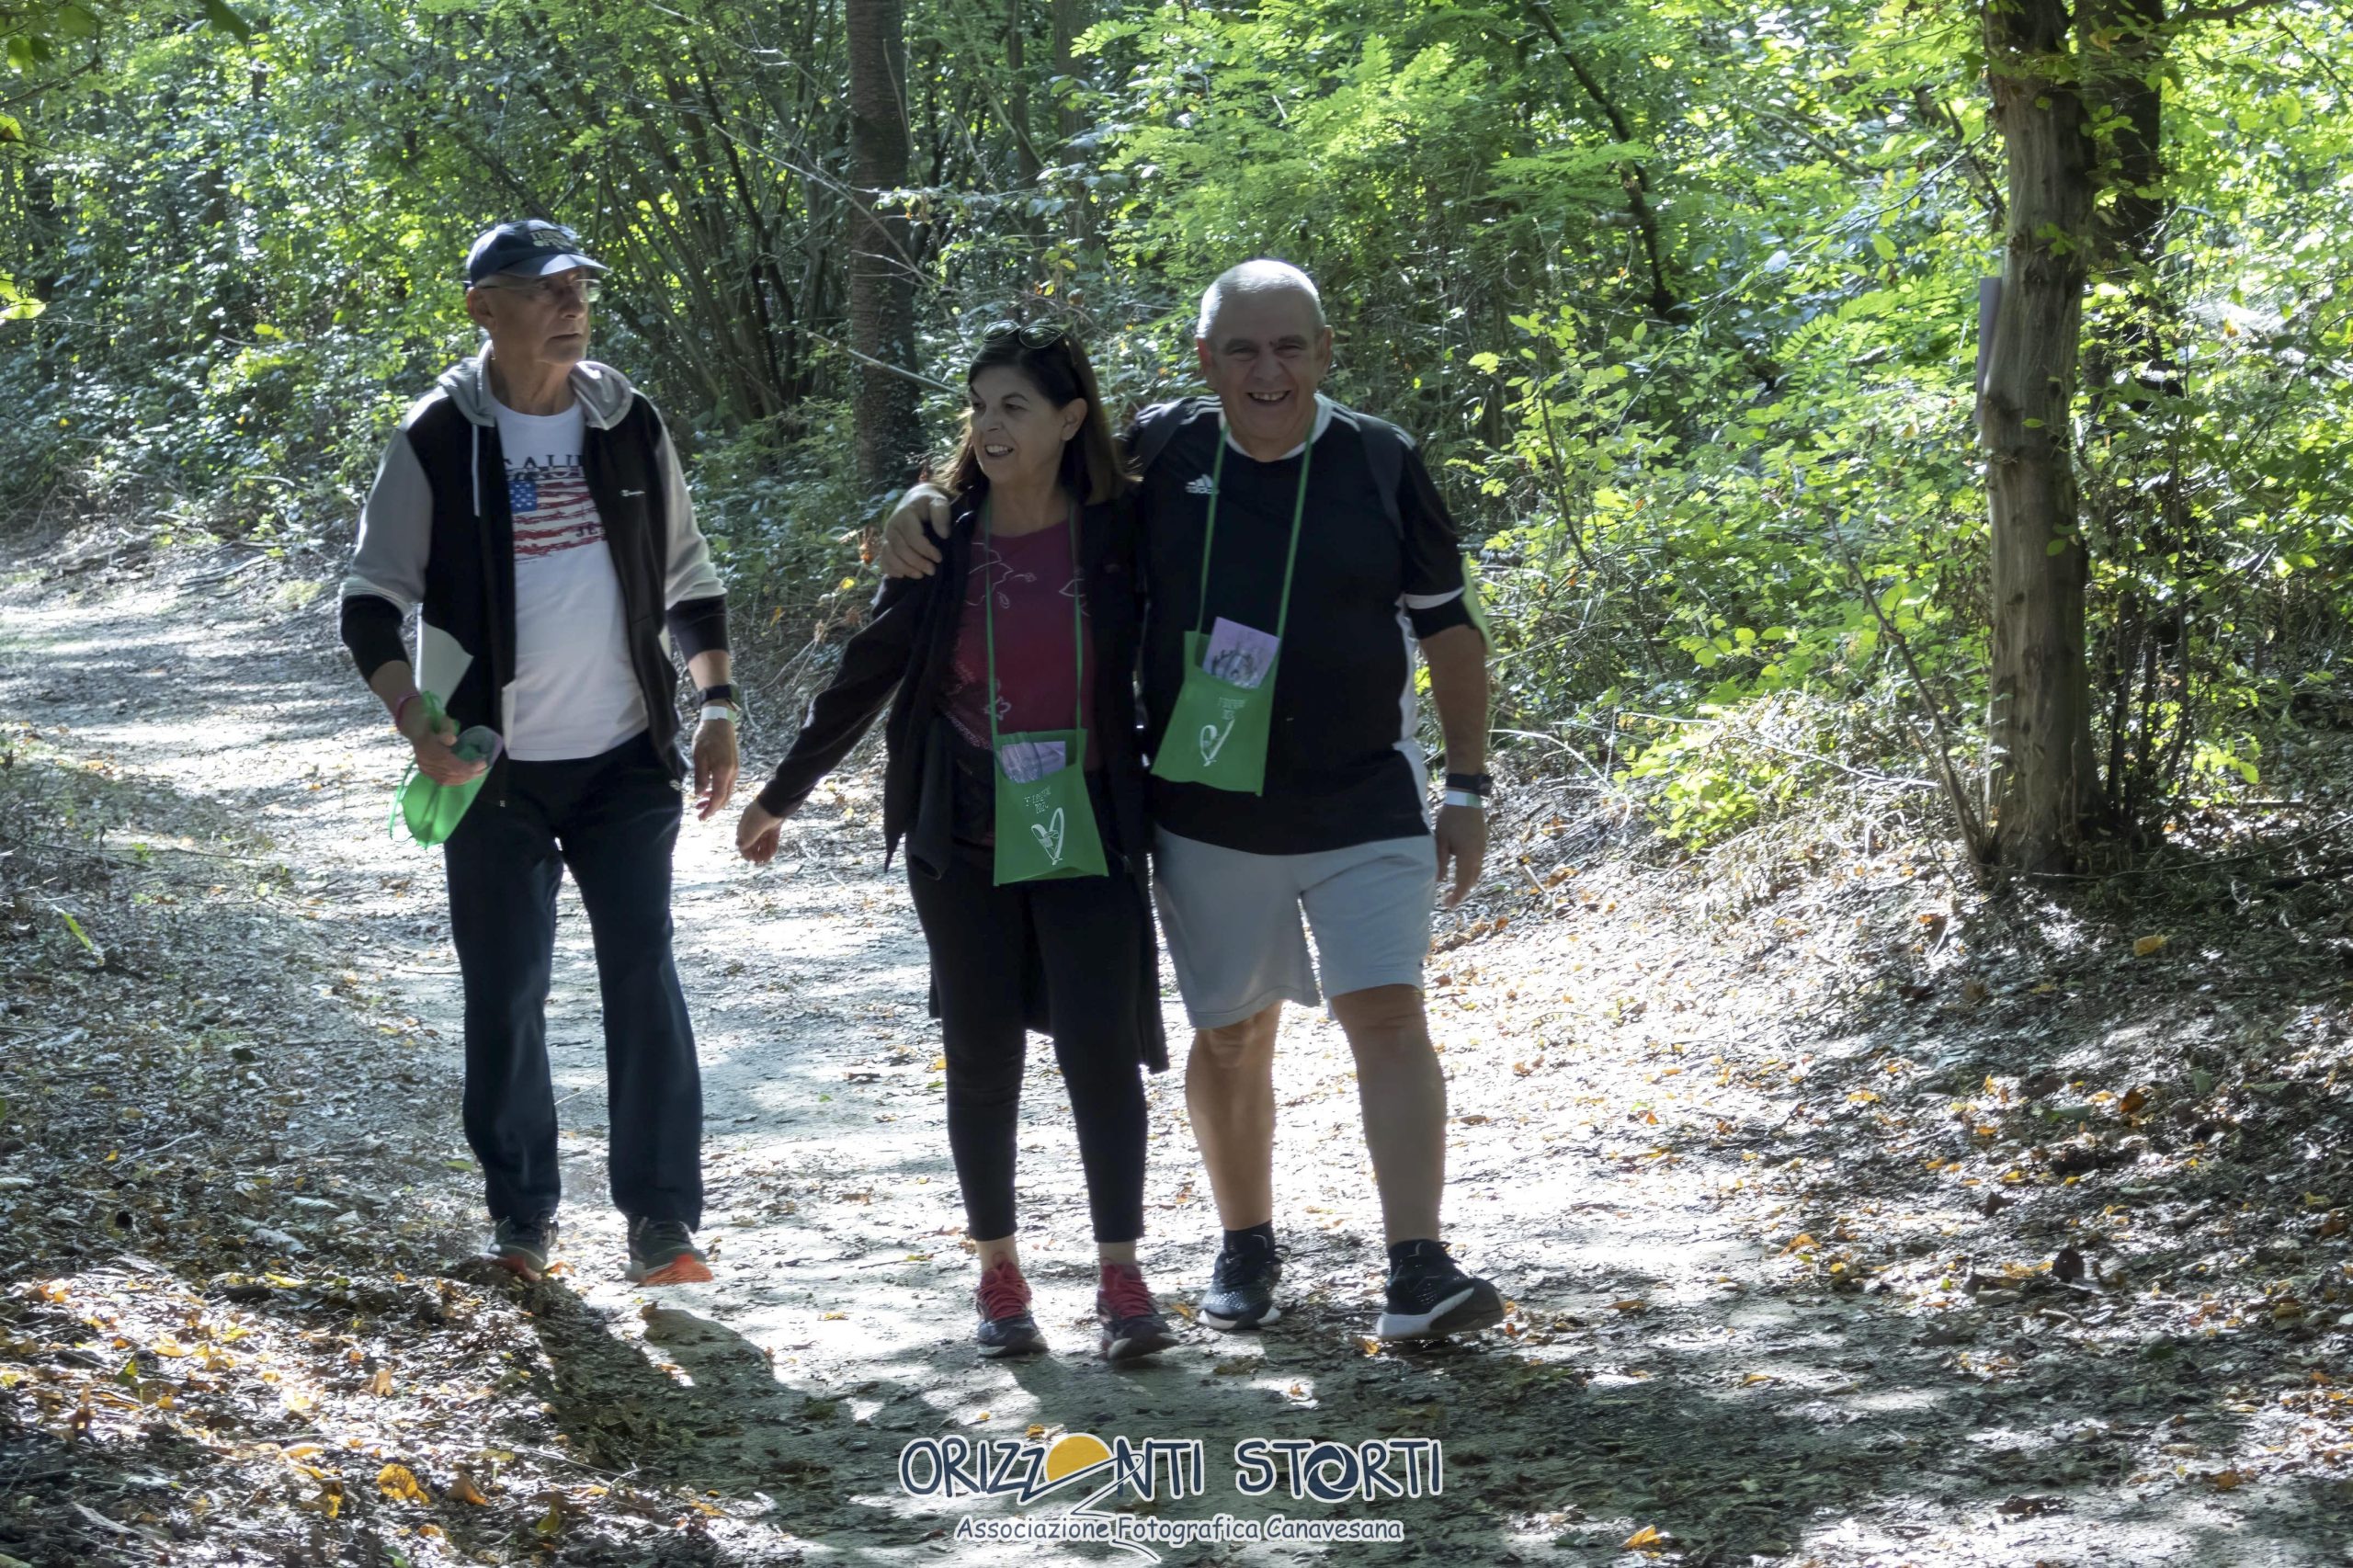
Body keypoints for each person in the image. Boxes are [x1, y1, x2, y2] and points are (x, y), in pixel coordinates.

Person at [876, 261, 1504, 1342]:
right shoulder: (1160, 452)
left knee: (1389, 1011)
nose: (1269, 371)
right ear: (1206, 359)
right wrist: (922, 499)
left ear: (1324, 351)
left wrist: (1468, 783)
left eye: (1291, 346)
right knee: (1232, 1033)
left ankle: (1416, 1263)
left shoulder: (1380, 459)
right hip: (1208, 808)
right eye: (1243, 349)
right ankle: (1245, 1242)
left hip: (1365, 798)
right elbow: (1025, 470)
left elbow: (1449, 631)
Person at [737, 321, 1176, 1364]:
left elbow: (1204, 427)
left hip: (1086, 817)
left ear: (1070, 419)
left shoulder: (1123, 530)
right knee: (981, 1054)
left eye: (1014, 405)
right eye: (978, 406)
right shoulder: (941, 541)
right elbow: (868, 669)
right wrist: (783, 793)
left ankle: (1121, 1277)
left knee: (1099, 1049)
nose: (989, 425)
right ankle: (998, 1274)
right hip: (962, 824)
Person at [337, 219, 738, 1288]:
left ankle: (663, 1220)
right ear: (483, 307)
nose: (571, 305)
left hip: (624, 757)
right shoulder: (438, 436)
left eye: (579, 287)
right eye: (544, 288)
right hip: (490, 769)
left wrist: (716, 704)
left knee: (642, 970)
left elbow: (690, 577)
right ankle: (522, 1219)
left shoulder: (626, 421)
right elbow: (370, 600)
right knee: (506, 988)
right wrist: (414, 719)